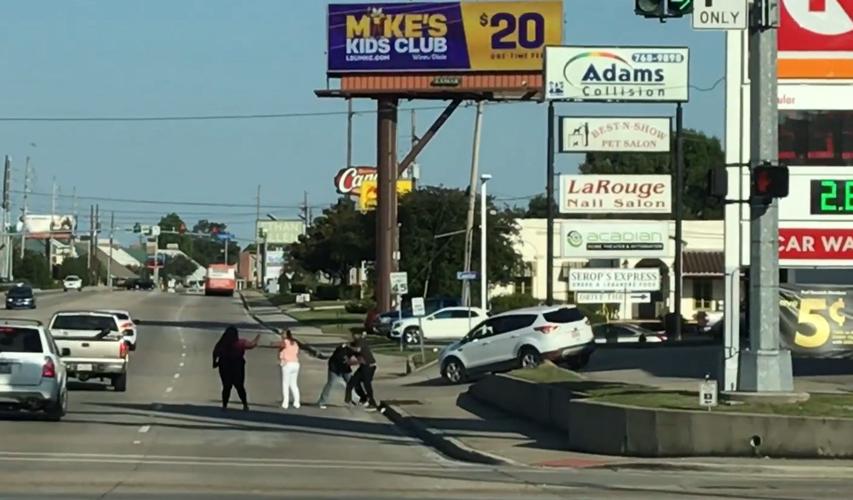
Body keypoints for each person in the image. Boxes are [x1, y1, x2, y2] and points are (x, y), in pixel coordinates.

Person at [212, 326, 260, 411]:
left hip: (224, 367)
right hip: (237, 367)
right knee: (239, 386)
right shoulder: (240, 343)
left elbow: (215, 353)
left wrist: (214, 363)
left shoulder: (221, 343)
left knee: (226, 386)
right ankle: (245, 404)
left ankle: (224, 405)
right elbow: (251, 345)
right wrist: (257, 338)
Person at [317, 341, 360, 409]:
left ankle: (354, 399)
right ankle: (321, 402)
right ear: (353, 347)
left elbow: (359, 356)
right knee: (330, 384)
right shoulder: (342, 350)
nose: (358, 350)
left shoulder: (351, 350)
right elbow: (346, 361)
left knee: (351, 382)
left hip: (345, 368)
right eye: (357, 348)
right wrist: (356, 362)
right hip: (334, 368)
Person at [345, 334, 378, 410]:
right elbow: (351, 357)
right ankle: (361, 398)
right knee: (353, 382)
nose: (354, 336)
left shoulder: (361, 340)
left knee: (367, 383)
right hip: (363, 366)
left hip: (370, 366)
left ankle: (373, 403)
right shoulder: (353, 344)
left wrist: (349, 347)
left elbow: (358, 349)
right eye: (353, 335)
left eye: (355, 335)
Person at [278, 329, 301, 409]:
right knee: (294, 384)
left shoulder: (285, 342)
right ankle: (297, 402)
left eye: (282, 334)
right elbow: (297, 352)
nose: (281, 336)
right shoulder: (295, 343)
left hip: (287, 364)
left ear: (286, 335)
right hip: (295, 364)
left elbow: (280, 346)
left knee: (285, 384)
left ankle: (285, 402)